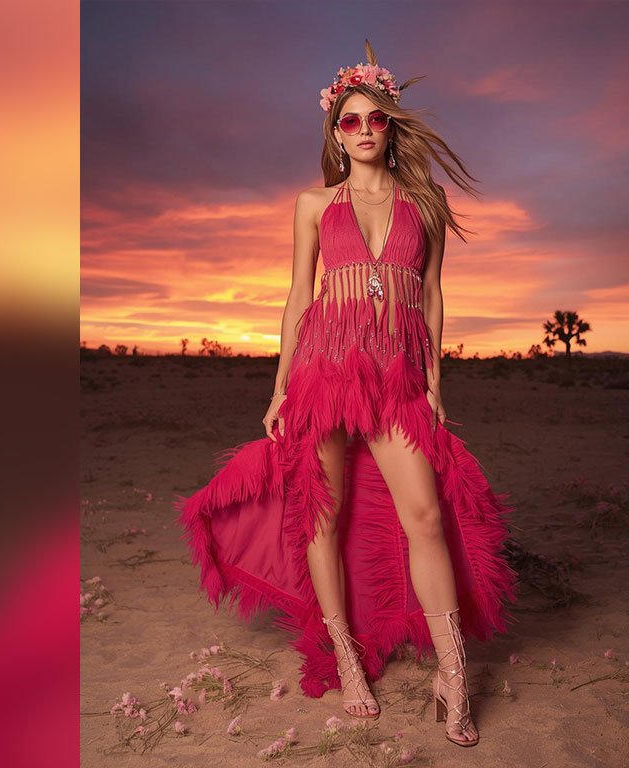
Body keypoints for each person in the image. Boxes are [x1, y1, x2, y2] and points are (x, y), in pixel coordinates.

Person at [175, 39, 515, 748]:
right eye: (349, 120)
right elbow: (299, 296)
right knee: (321, 518)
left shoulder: (426, 201)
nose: (362, 130)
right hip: (323, 371)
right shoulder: (312, 204)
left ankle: (453, 674)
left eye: (374, 118)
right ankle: (347, 660)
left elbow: (431, 295)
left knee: (424, 515)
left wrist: (433, 382)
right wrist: (278, 389)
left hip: (395, 375)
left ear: (390, 126)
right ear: (335, 132)